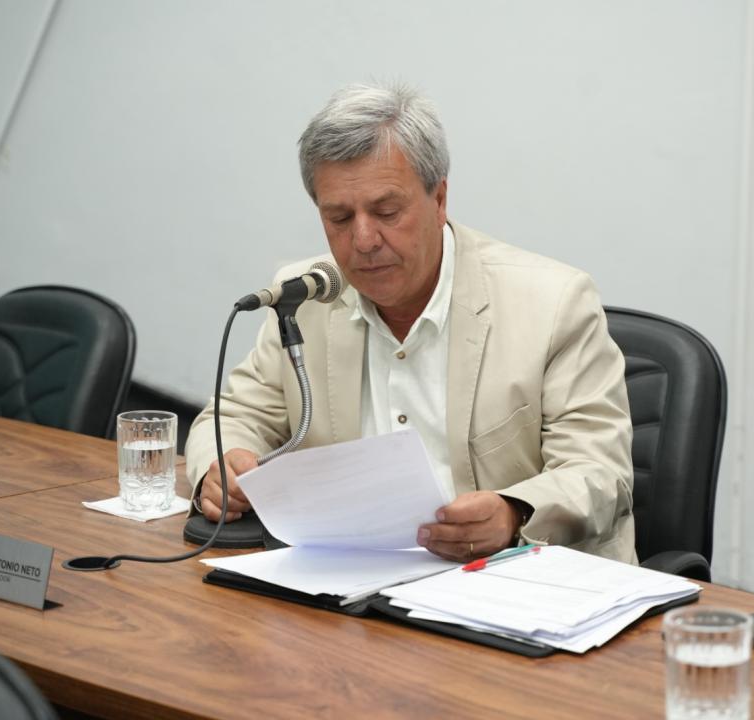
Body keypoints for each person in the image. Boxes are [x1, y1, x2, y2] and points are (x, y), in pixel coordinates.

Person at [184, 82, 636, 563]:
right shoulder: (305, 297)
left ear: (439, 199)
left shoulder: (553, 302)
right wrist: (222, 466)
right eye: (339, 218)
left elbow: (600, 470)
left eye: (386, 211)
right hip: (349, 577)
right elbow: (234, 419)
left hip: (515, 577)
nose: (363, 240)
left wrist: (513, 513)